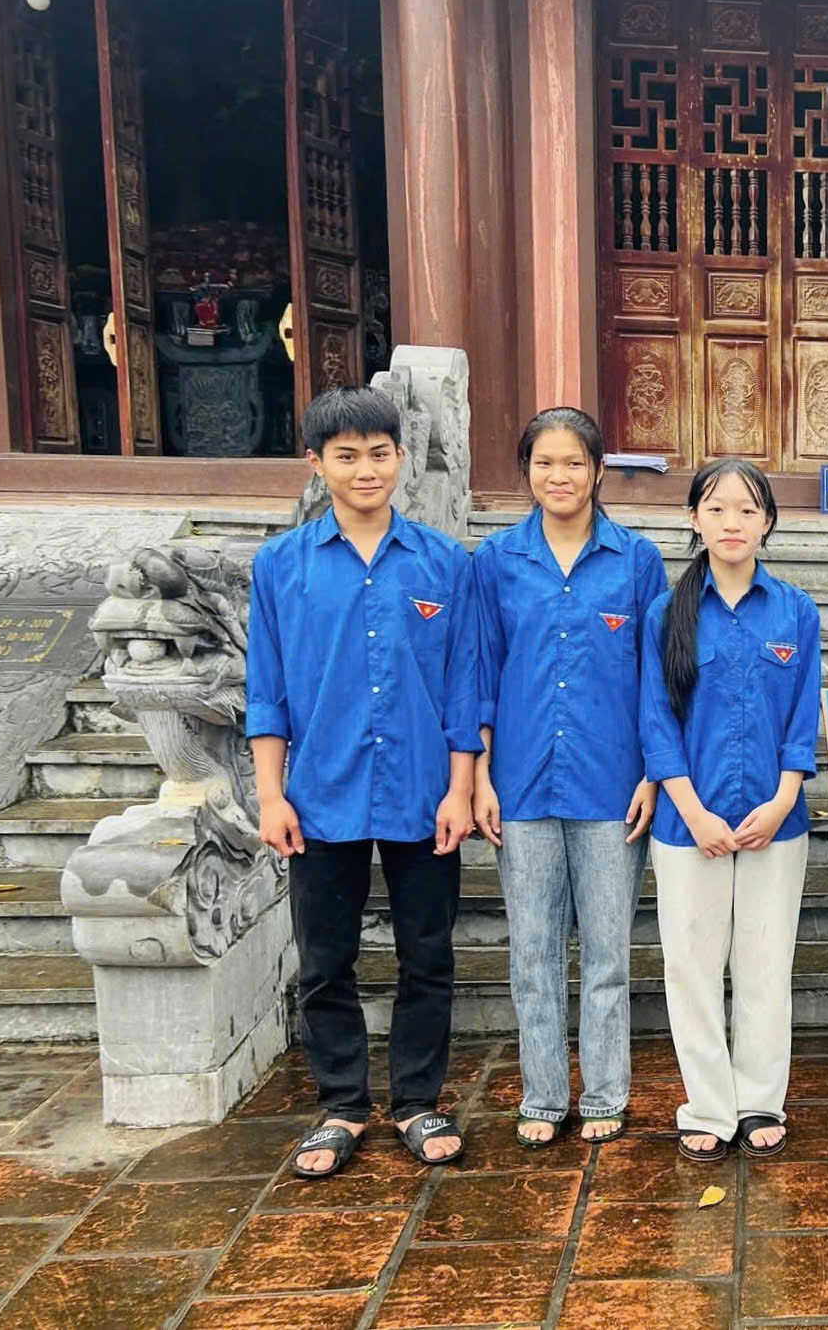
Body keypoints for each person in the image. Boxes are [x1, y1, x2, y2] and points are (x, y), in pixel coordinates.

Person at [246, 385, 480, 1177]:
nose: (366, 469)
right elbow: (267, 690)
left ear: (401, 458)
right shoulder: (282, 566)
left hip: (422, 790)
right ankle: (342, 1104)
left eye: (379, 453)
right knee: (324, 962)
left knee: (428, 956)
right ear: (317, 464)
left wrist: (460, 788)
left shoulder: (444, 562)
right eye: (346, 456)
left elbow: (463, 687)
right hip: (320, 792)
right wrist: (271, 795)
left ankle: (417, 1099)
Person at [472, 408, 668, 1147]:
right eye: (544, 463)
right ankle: (544, 1096)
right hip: (520, 783)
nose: (560, 476)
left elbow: (657, 678)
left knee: (609, 954)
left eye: (574, 463)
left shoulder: (636, 561)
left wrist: (652, 774)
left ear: (598, 471)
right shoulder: (496, 561)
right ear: (527, 471)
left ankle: (606, 1093)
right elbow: (479, 672)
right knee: (533, 952)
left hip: (612, 785)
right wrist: (480, 775)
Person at [639, 458, 821, 1162]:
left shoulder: (796, 611)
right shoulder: (668, 613)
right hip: (689, 823)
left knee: (765, 965)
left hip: (777, 820)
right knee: (691, 968)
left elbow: (802, 716)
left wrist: (782, 799)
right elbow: (656, 721)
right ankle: (709, 1106)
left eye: (747, 509)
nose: (732, 523)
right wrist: (692, 810)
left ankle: (760, 1100)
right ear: (694, 519)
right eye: (716, 509)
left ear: (768, 521)